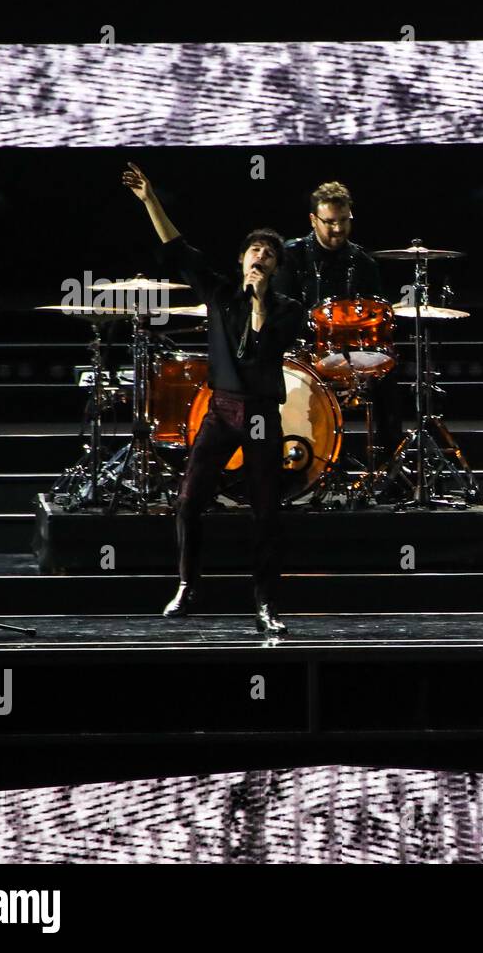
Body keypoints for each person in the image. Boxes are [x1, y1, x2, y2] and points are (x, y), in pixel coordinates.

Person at [122, 162, 302, 634]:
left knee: (266, 511)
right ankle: (187, 584)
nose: (258, 256)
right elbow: (177, 248)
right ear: (241, 258)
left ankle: (265, 601)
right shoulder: (220, 293)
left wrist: (261, 301)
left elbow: (262, 347)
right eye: (253, 250)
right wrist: (150, 201)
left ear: (275, 268)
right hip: (220, 410)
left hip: (261, 414)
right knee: (188, 500)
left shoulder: (287, 310)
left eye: (267, 253)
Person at [272, 181, 402, 462]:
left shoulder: (362, 261)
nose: (338, 229)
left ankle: (389, 466)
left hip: (350, 353)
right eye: (330, 222)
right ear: (313, 220)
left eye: (344, 221)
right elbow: (281, 312)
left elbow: (377, 316)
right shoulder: (291, 256)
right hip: (303, 353)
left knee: (388, 374)